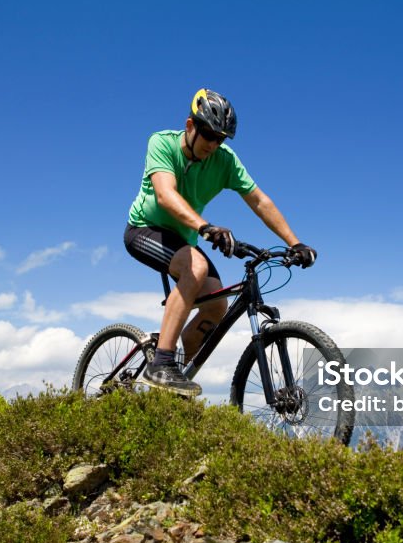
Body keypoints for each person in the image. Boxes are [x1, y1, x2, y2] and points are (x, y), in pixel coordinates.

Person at [124, 88, 317, 396]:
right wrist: (206, 228)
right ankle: (161, 363)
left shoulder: (224, 161)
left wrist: (295, 243)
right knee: (196, 267)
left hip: (185, 239)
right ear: (191, 126)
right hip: (145, 230)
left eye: (221, 138)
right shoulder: (161, 142)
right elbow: (166, 194)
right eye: (209, 135)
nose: (214, 144)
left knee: (216, 307)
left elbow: (259, 201)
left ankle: (174, 378)